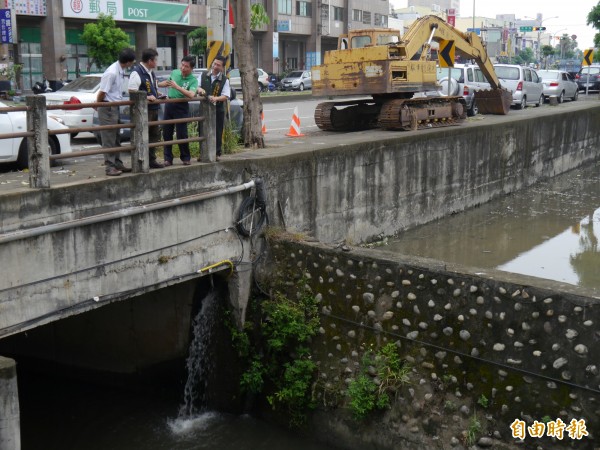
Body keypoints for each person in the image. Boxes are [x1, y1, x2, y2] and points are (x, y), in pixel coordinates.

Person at [96, 48, 136, 176]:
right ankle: (109, 166)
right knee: (108, 137)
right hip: (108, 106)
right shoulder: (112, 72)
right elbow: (102, 92)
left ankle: (117, 163)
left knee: (116, 137)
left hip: (115, 105)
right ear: (129, 62)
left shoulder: (120, 70)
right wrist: (98, 105)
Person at [128, 48, 165, 169]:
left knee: (154, 135)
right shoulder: (137, 72)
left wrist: (157, 94)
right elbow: (132, 90)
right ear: (150, 61)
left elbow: (152, 87)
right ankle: (142, 160)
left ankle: (152, 159)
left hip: (154, 108)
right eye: (155, 60)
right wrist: (147, 97)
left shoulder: (150, 72)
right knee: (144, 135)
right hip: (143, 110)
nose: (157, 62)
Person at [162, 55, 198, 166]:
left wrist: (177, 87)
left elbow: (191, 94)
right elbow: (167, 83)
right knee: (167, 132)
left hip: (181, 106)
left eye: (186, 66)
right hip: (169, 104)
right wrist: (155, 85)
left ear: (191, 68)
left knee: (181, 134)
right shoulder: (175, 72)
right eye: (182, 65)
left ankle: (185, 157)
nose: (183, 68)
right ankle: (168, 159)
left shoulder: (193, 80)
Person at [197, 56, 231, 161]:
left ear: (222, 68)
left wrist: (215, 98)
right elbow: (196, 87)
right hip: (204, 109)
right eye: (214, 64)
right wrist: (200, 90)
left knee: (217, 131)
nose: (215, 66)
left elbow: (226, 96)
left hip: (218, 109)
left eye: (218, 65)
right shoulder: (203, 75)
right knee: (202, 130)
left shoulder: (224, 80)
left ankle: (216, 153)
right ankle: (203, 153)